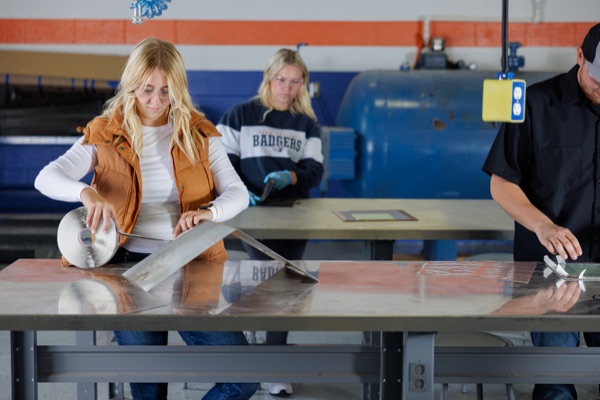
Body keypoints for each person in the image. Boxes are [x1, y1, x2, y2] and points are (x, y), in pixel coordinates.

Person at [34, 37, 259, 400]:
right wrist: (86, 193)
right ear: (131, 85)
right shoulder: (106, 131)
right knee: (149, 388)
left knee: (243, 379)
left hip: (190, 267)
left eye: (167, 91)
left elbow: (237, 193)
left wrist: (208, 212)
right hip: (127, 274)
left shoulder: (199, 133)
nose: (156, 101)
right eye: (146, 90)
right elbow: (45, 177)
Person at [482, 22, 600, 400]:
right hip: (553, 270)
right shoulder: (535, 105)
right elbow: (501, 182)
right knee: (555, 384)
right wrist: (543, 226)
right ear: (580, 57)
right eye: (599, 80)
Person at [216, 48, 324, 397]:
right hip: (252, 212)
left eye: (295, 82)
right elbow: (220, 163)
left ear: (302, 84)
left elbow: (314, 171)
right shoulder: (240, 115)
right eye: (281, 80)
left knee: (289, 284)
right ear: (269, 77)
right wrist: (239, 192)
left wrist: (291, 177)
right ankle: (253, 362)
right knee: (266, 282)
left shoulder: (306, 124)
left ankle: (274, 366)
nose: (287, 88)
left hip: (293, 212)